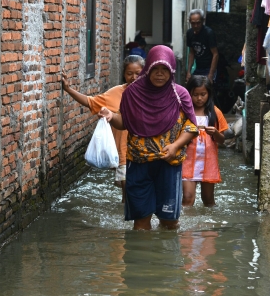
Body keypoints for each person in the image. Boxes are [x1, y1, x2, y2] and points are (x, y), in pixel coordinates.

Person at [99, 45, 198, 230]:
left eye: (164, 70)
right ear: (148, 69)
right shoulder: (132, 93)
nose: (160, 74)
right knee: (140, 221)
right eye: (155, 69)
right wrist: (111, 117)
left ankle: (164, 258)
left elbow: (191, 127)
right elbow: (125, 122)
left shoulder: (180, 95)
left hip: (169, 164)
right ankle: (142, 257)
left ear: (172, 71)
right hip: (138, 163)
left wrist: (176, 146)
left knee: (169, 222)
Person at [61, 55, 145, 203]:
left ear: (144, 73)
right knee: (128, 198)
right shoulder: (115, 93)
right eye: (129, 73)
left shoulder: (150, 94)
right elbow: (90, 102)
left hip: (146, 152)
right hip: (124, 154)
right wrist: (68, 89)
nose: (134, 77)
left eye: (138, 73)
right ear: (123, 74)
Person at [182, 75, 228, 207]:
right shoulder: (184, 112)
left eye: (203, 94)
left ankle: (209, 225)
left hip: (208, 162)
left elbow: (222, 140)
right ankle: (186, 226)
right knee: (187, 199)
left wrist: (215, 133)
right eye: (195, 94)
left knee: (208, 200)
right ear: (189, 93)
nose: (199, 98)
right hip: (188, 160)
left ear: (209, 94)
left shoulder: (214, 112)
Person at [186, 9, 219, 83]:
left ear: (203, 21)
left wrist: (210, 74)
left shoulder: (209, 33)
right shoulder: (189, 33)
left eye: (198, 23)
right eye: (193, 23)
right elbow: (191, 53)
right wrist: (188, 71)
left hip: (208, 68)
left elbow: (215, 54)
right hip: (198, 68)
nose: (196, 25)